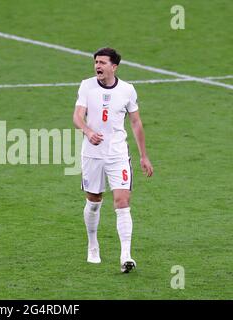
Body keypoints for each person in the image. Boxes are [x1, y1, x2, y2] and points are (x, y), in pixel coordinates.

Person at [73, 47, 154, 273]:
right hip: (92, 154)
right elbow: (77, 116)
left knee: (122, 201)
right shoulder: (86, 86)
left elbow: (136, 123)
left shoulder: (128, 90)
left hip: (118, 154)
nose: (97, 66)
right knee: (94, 200)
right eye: (95, 62)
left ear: (114, 66)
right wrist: (88, 131)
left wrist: (144, 156)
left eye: (102, 62)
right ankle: (92, 245)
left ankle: (125, 255)